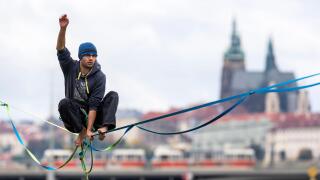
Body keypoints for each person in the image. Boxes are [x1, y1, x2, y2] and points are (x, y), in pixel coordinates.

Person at [56, 14, 118, 146]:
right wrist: (63, 29)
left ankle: (104, 129)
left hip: (92, 115)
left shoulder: (100, 76)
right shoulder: (70, 67)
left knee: (113, 95)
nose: (91, 58)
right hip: (75, 118)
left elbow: (94, 106)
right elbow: (60, 49)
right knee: (63, 103)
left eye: (94, 56)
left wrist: (90, 129)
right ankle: (82, 131)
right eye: (88, 55)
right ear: (80, 57)